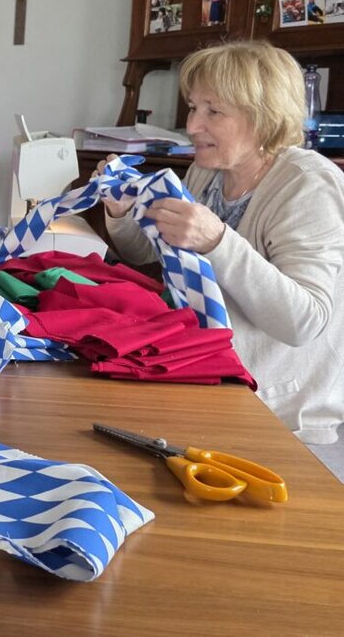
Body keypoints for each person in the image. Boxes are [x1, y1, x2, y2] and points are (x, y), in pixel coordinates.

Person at [99, 41, 344, 445]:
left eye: (213, 111)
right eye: (194, 108)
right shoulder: (206, 171)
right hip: (212, 374)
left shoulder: (308, 183)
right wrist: (123, 213)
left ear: (263, 118)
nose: (192, 126)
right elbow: (150, 255)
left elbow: (304, 322)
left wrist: (217, 241)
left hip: (281, 413)